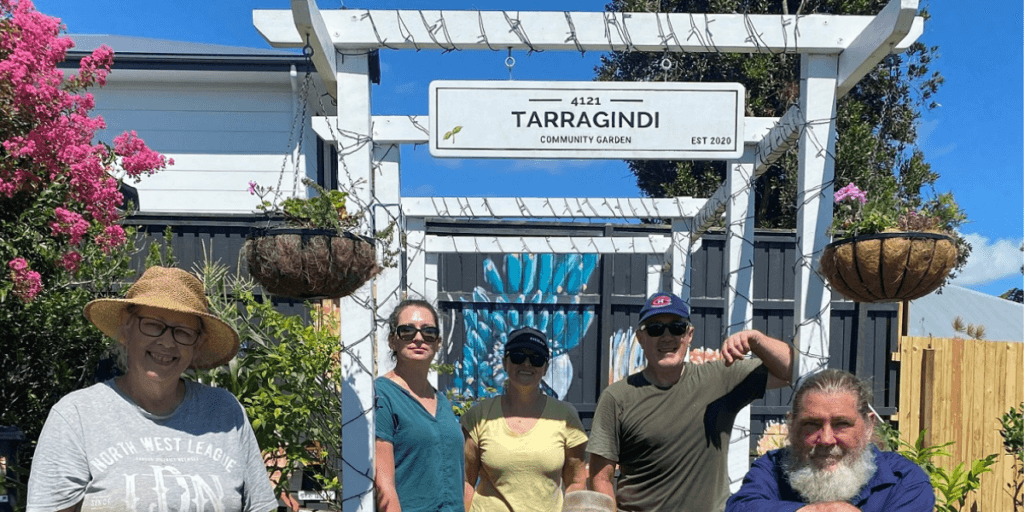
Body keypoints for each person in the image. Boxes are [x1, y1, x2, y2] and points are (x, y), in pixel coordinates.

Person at [27, 266, 277, 511]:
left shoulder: (225, 412)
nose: (167, 342)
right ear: (127, 328)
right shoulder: (77, 416)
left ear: (197, 344)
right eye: (153, 325)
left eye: (183, 332)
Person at [587, 291, 794, 512]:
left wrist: (756, 340)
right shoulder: (617, 397)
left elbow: (792, 370)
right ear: (641, 338)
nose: (667, 337)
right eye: (656, 329)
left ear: (689, 335)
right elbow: (601, 477)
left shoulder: (720, 378)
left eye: (677, 328)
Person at [726, 369, 934, 512]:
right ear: (791, 426)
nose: (825, 439)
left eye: (841, 424)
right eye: (812, 424)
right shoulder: (772, 468)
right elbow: (740, 507)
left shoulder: (904, 480)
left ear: (869, 427)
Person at [461, 327, 588, 512]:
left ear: (545, 368)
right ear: (505, 363)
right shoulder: (478, 417)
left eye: (536, 359)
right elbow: (466, 483)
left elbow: (576, 482)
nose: (527, 364)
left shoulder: (565, 417)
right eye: (518, 356)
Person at [374, 299, 464, 512]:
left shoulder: (442, 402)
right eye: (407, 331)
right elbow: (384, 486)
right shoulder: (382, 395)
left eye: (428, 332)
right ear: (392, 341)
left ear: (438, 343)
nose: (418, 338)